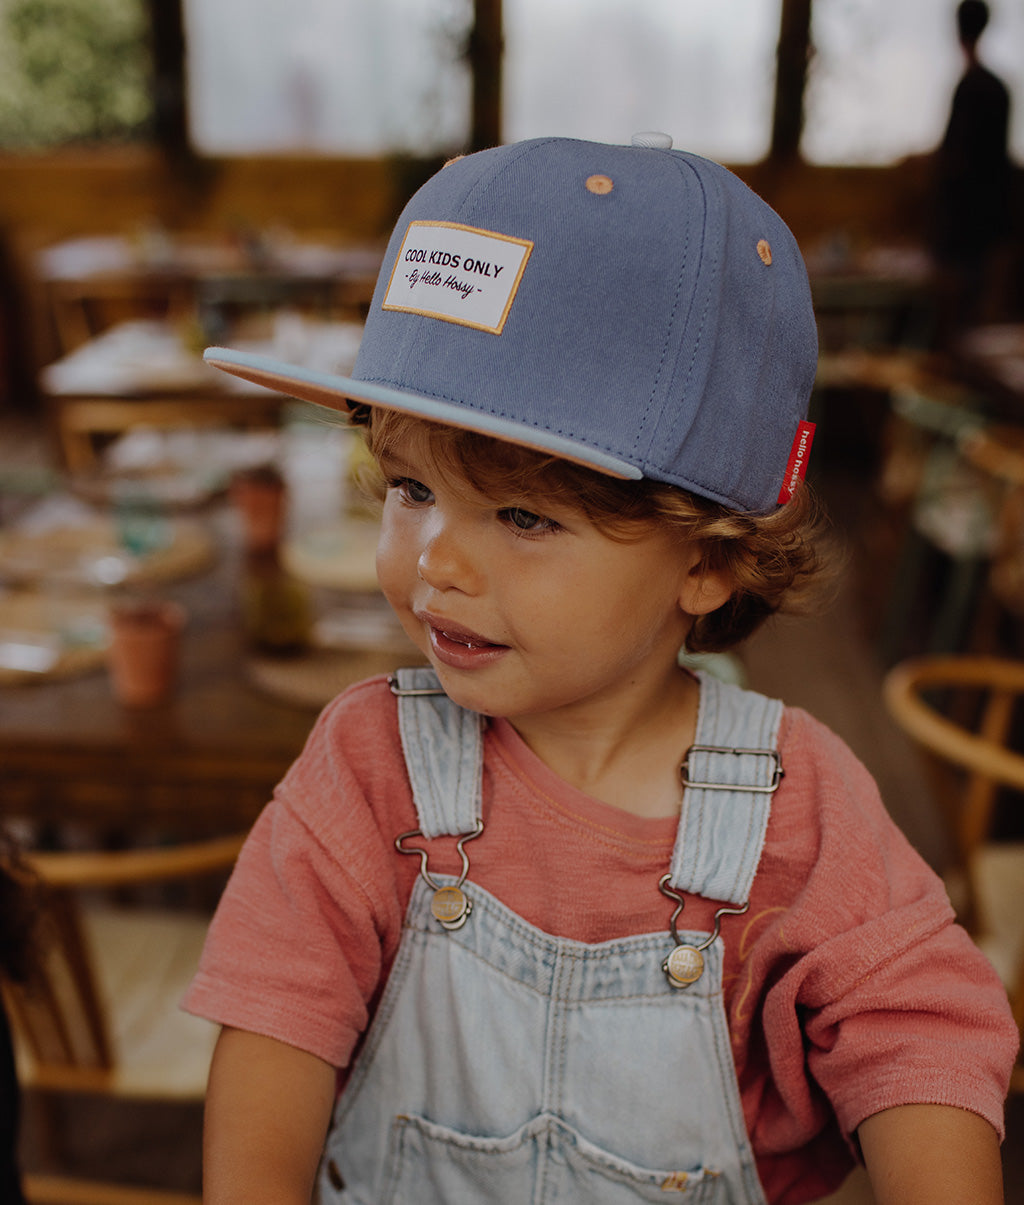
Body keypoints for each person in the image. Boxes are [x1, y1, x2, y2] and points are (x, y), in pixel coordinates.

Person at [186, 134, 1017, 1204]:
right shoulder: (369, 765)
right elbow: (275, 1016)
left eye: (522, 514)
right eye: (409, 487)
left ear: (709, 562)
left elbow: (922, 1038)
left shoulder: (797, 808)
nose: (435, 558)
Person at [930, 0, 1013, 344]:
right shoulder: (999, 89)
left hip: (964, 230)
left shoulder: (972, 89)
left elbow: (956, 159)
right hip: (991, 225)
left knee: (960, 329)